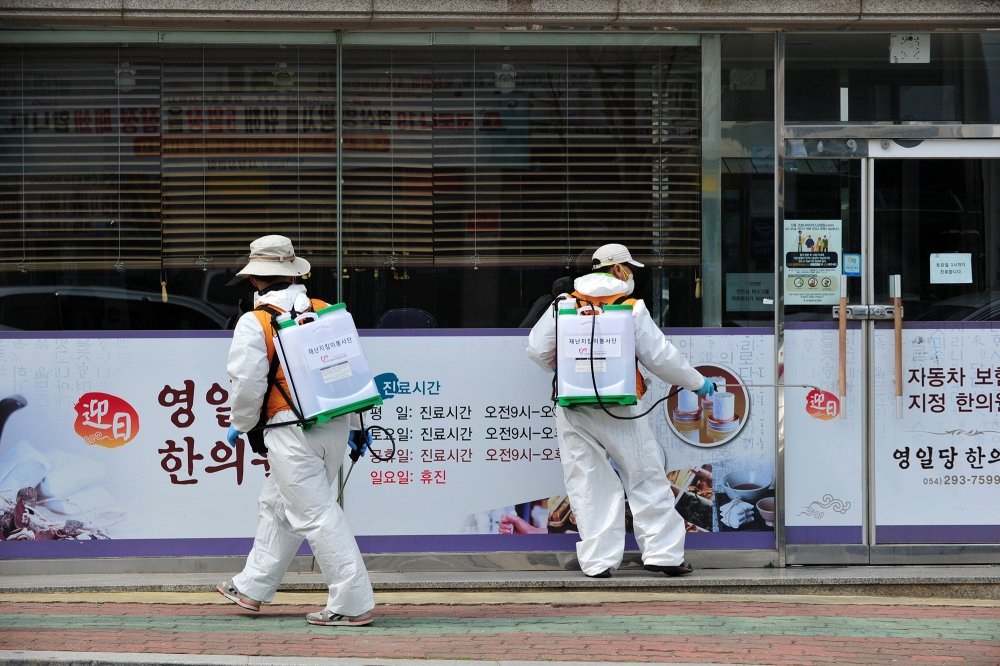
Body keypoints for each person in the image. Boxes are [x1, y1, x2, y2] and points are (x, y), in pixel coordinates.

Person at [526, 243, 716, 579]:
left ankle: (598, 561)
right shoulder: (631, 307)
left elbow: (538, 351)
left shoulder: (563, 304)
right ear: (617, 269)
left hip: (572, 405)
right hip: (622, 405)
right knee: (644, 474)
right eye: (630, 269)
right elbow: (660, 357)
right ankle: (663, 555)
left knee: (587, 479)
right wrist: (697, 382)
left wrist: (573, 369)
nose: (632, 276)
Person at [217, 234, 376, 627]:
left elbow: (247, 384)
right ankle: (252, 586)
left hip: (290, 430)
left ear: (256, 280)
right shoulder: (326, 311)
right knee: (278, 506)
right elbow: (348, 373)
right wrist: (357, 424)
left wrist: (241, 425)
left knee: (316, 515)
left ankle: (352, 603)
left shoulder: (254, 323)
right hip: (335, 425)